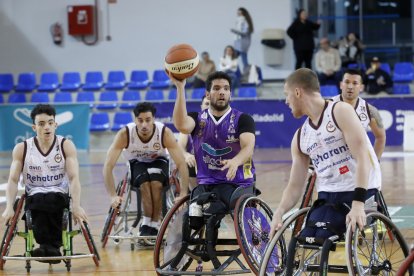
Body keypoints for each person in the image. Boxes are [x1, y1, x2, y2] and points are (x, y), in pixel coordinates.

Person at [269, 68, 381, 243]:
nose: (286, 101)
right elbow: (295, 185)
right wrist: (279, 212)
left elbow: (363, 158)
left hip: (360, 190)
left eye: (287, 94)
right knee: (308, 240)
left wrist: (358, 204)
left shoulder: (340, 111)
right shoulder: (300, 136)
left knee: (327, 239)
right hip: (328, 196)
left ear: (297, 92)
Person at [1, 104, 88, 261]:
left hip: (59, 193)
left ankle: (47, 248)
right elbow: (13, 180)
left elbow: (74, 178)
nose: (46, 127)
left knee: (52, 199)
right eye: (41, 124)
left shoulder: (65, 145)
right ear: (34, 127)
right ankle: (51, 248)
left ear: (56, 124)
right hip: (34, 195)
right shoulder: (22, 148)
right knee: (39, 200)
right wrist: (8, 207)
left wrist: (76, 205)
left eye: (50, 122)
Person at [171, 70, 256, 214]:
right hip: (207, 182)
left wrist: (235, 161)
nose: (222, 92)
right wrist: (180, 88)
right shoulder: (197, 118)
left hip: (237, 183)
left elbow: (248, 148)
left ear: (230, 94)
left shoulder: (243, 119)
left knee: (216, 211)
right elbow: (180, 125)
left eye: (226, 88)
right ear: (208, 94)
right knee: (192, 216)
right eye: (216, 88)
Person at [103, 102, 189, 236]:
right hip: (137, 162)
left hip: (159, 161)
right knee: (144, 184)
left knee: (155, 184)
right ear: (134, 119)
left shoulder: (164, 133)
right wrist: (113, 195)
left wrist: (183, 192)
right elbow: (108, 166)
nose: (144, 125)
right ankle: (146, 222)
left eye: (148, 120)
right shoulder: (125, 134)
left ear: (154, 119)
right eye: (140, 120)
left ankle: (153, 224)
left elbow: (181, 163)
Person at [333, 69, 386, 159]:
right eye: (347, 82)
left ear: (361, 87)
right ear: (341, 85)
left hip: (358, 164)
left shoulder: (370, 110)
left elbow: (381, 137)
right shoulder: (328, 105)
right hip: (333, 162)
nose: (350, 86)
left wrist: (376, 162)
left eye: (355, 83)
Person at [177, 95, 210, 190]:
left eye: (212, 104)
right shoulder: (192, 123)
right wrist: (186, 155)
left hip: (212, 162)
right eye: (207, 104)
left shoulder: (222, 124)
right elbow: (179, 146)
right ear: (201, 106)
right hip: (194, 162)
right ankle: (195, 195)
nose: (209, 107)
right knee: (189, 163)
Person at [230, 7, 254, 71]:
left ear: (243, 13)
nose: (238, 13)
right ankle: (239, 72)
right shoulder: (239, 21)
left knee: (236, 59)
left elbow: (245, 33)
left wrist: (234, 31)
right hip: (239, 42)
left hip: (243, 43)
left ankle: (246, 73)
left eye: (240, 12)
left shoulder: (245, 22)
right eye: (238, 12)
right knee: (236, 59)